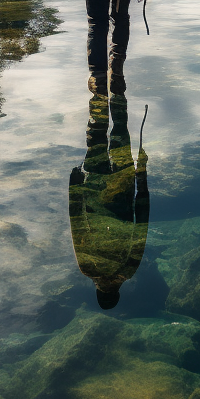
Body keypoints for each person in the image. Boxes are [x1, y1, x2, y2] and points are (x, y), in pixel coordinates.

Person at [69, 97, 149, 310]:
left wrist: (142, 176)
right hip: (94, 188)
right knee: (96, 134)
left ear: (118, 294)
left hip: (123, 188)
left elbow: (142, 220)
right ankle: (100, 86)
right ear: (97, 292)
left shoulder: (129, 269)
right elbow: (77, 224)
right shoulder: (87, 267)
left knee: (120, 128)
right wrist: (75, 188)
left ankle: (115, 86)